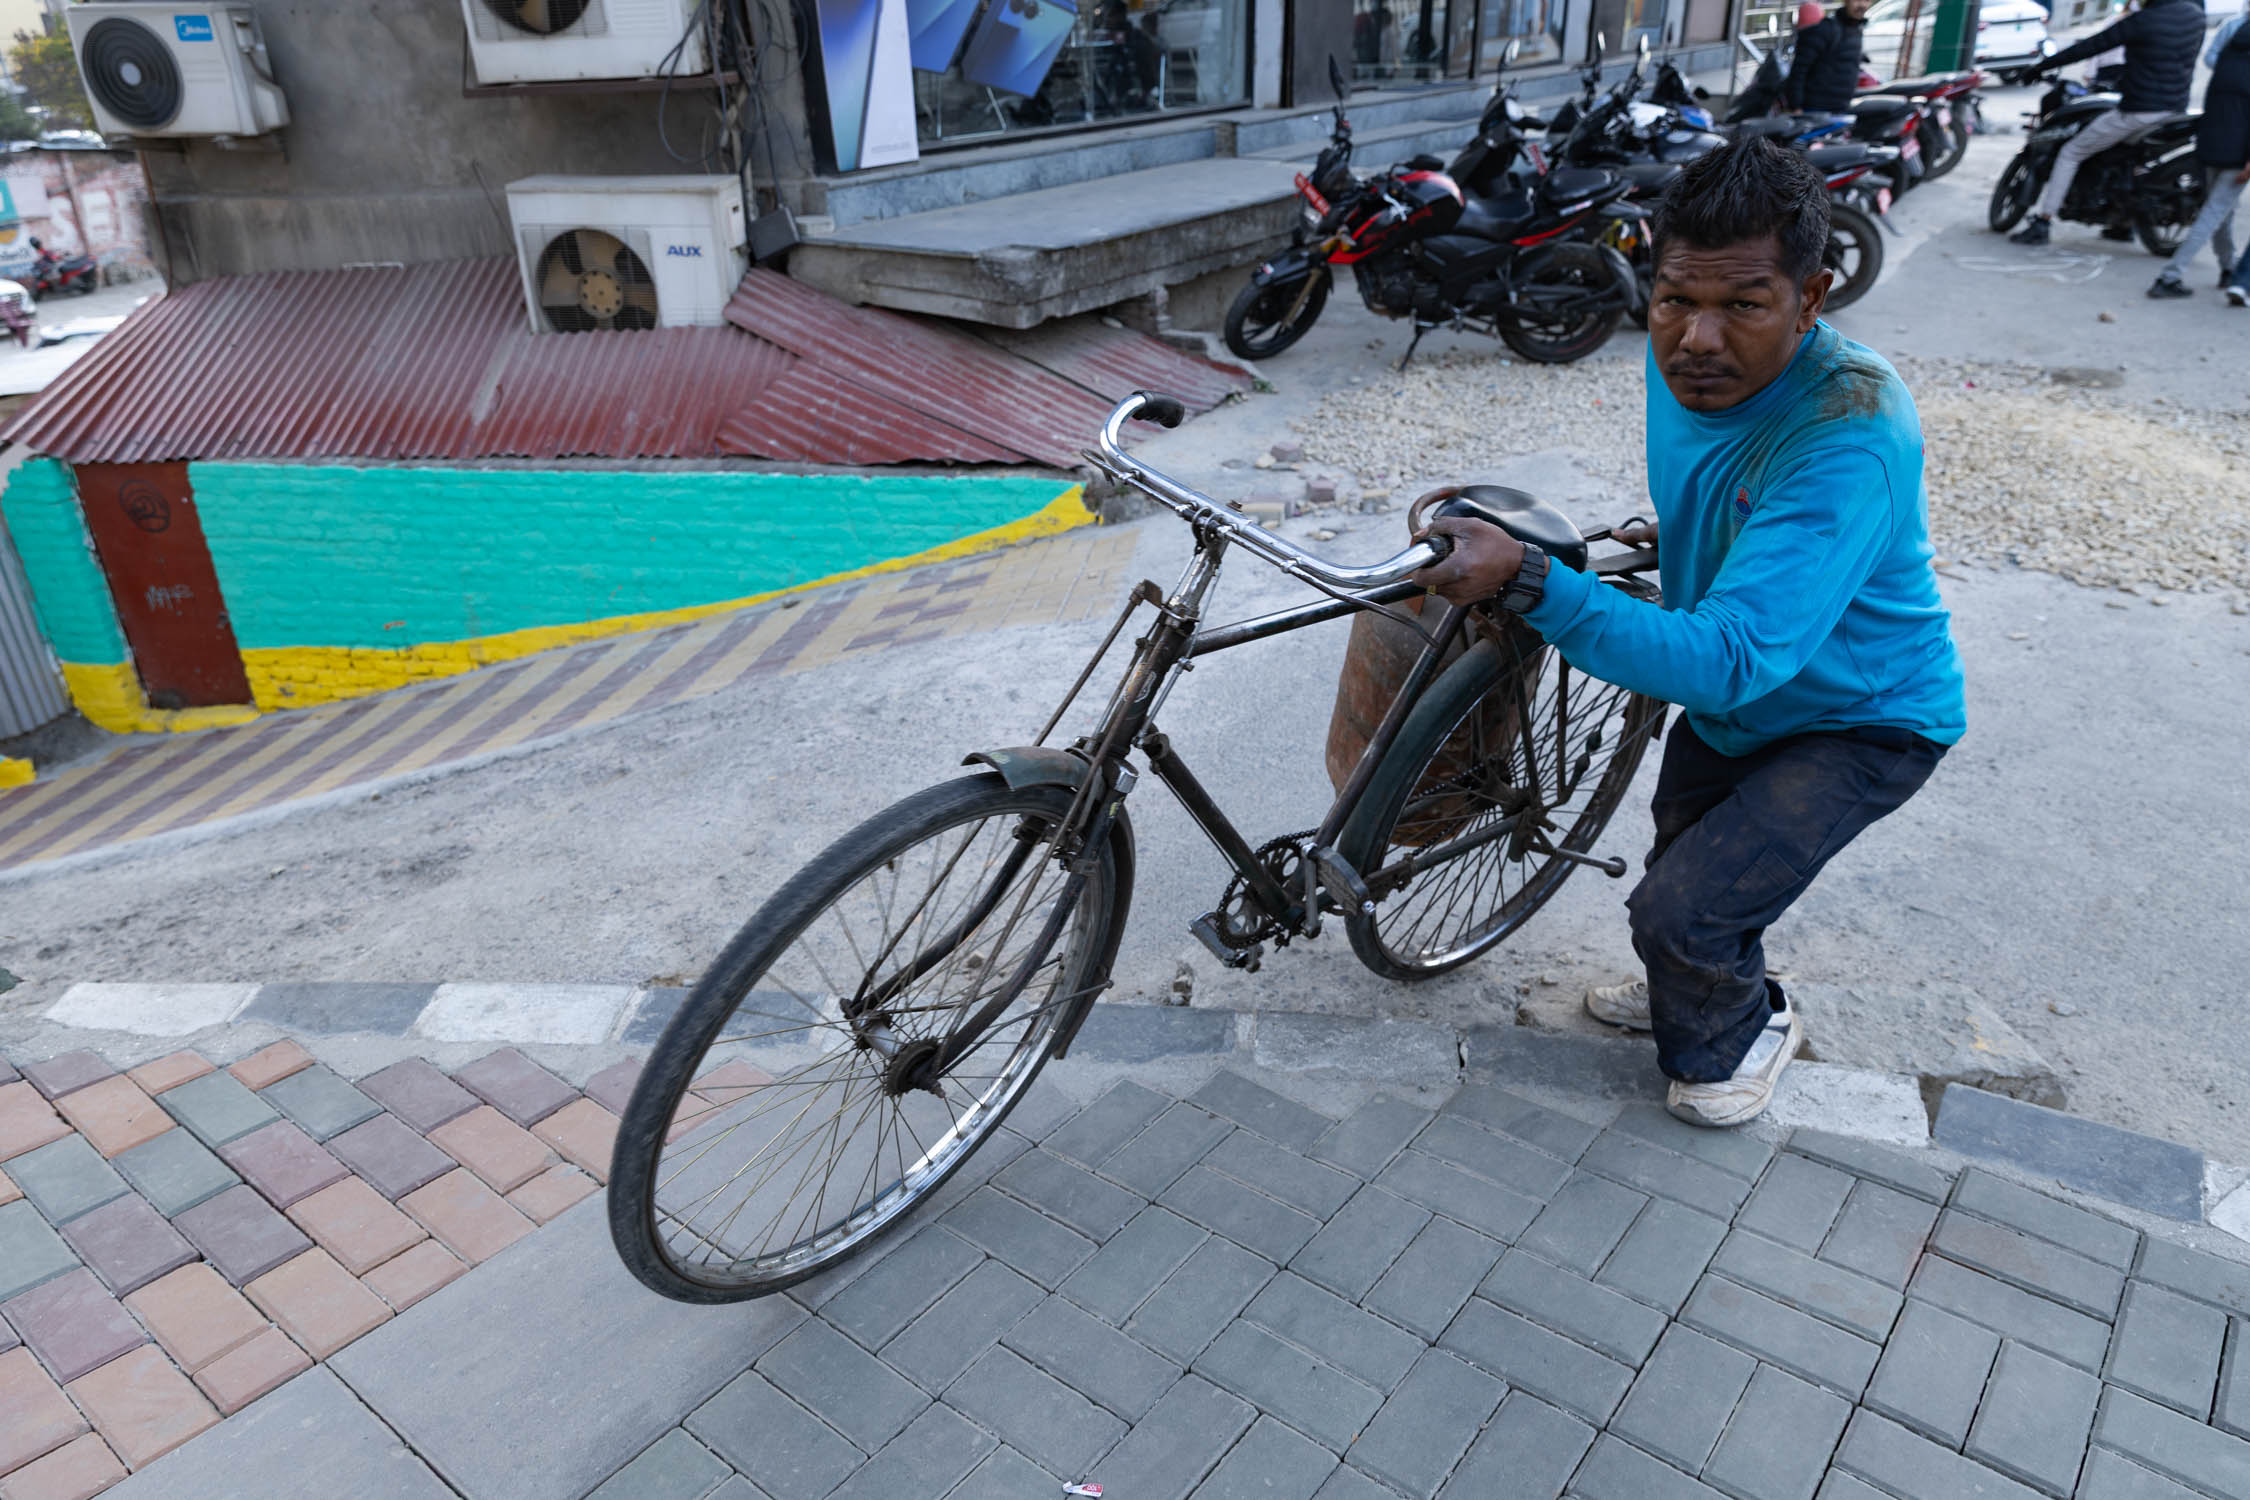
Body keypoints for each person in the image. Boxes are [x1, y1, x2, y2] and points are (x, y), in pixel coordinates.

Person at [1408, 135, 1965, 1129]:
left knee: (1682, 911)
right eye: (1675, 300)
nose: (1697, 340)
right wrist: (1685, 532)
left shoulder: (1851, 428)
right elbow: (1736, 491)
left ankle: (1748, 1022)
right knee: (1686, 864)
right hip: (1743, 688)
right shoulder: (1690, 365)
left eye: (1744, 304)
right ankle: (1697, 974)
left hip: (1861, 717)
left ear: (1812, 297)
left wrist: (1536, 577)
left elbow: (1729, 661)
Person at [2009, 0, 2206, 246]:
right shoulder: (2195, 16)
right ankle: (2122, 223)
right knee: (2130, 159)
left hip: (2139, 109)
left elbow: (2092, 46)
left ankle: (2043, 222)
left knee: (2071, 152)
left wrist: (2039, 68)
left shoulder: (2142, 21)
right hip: (2175, 109)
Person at [2149, 1, 2250, 294]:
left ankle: (2228, 267)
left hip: (2211, 139)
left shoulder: (2228, 45)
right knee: (2212, 212)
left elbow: (2210, 66)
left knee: (2222, 212)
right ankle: (2170, 276)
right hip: (2238, 151)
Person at [1786, 0, 1872, 118]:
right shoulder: (1825, 29)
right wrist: (1795, 107)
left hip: (1840, 109)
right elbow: (1799, 70)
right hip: (1815, 111)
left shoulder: (1857, 29)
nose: (1862, 5)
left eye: (1867, 0)